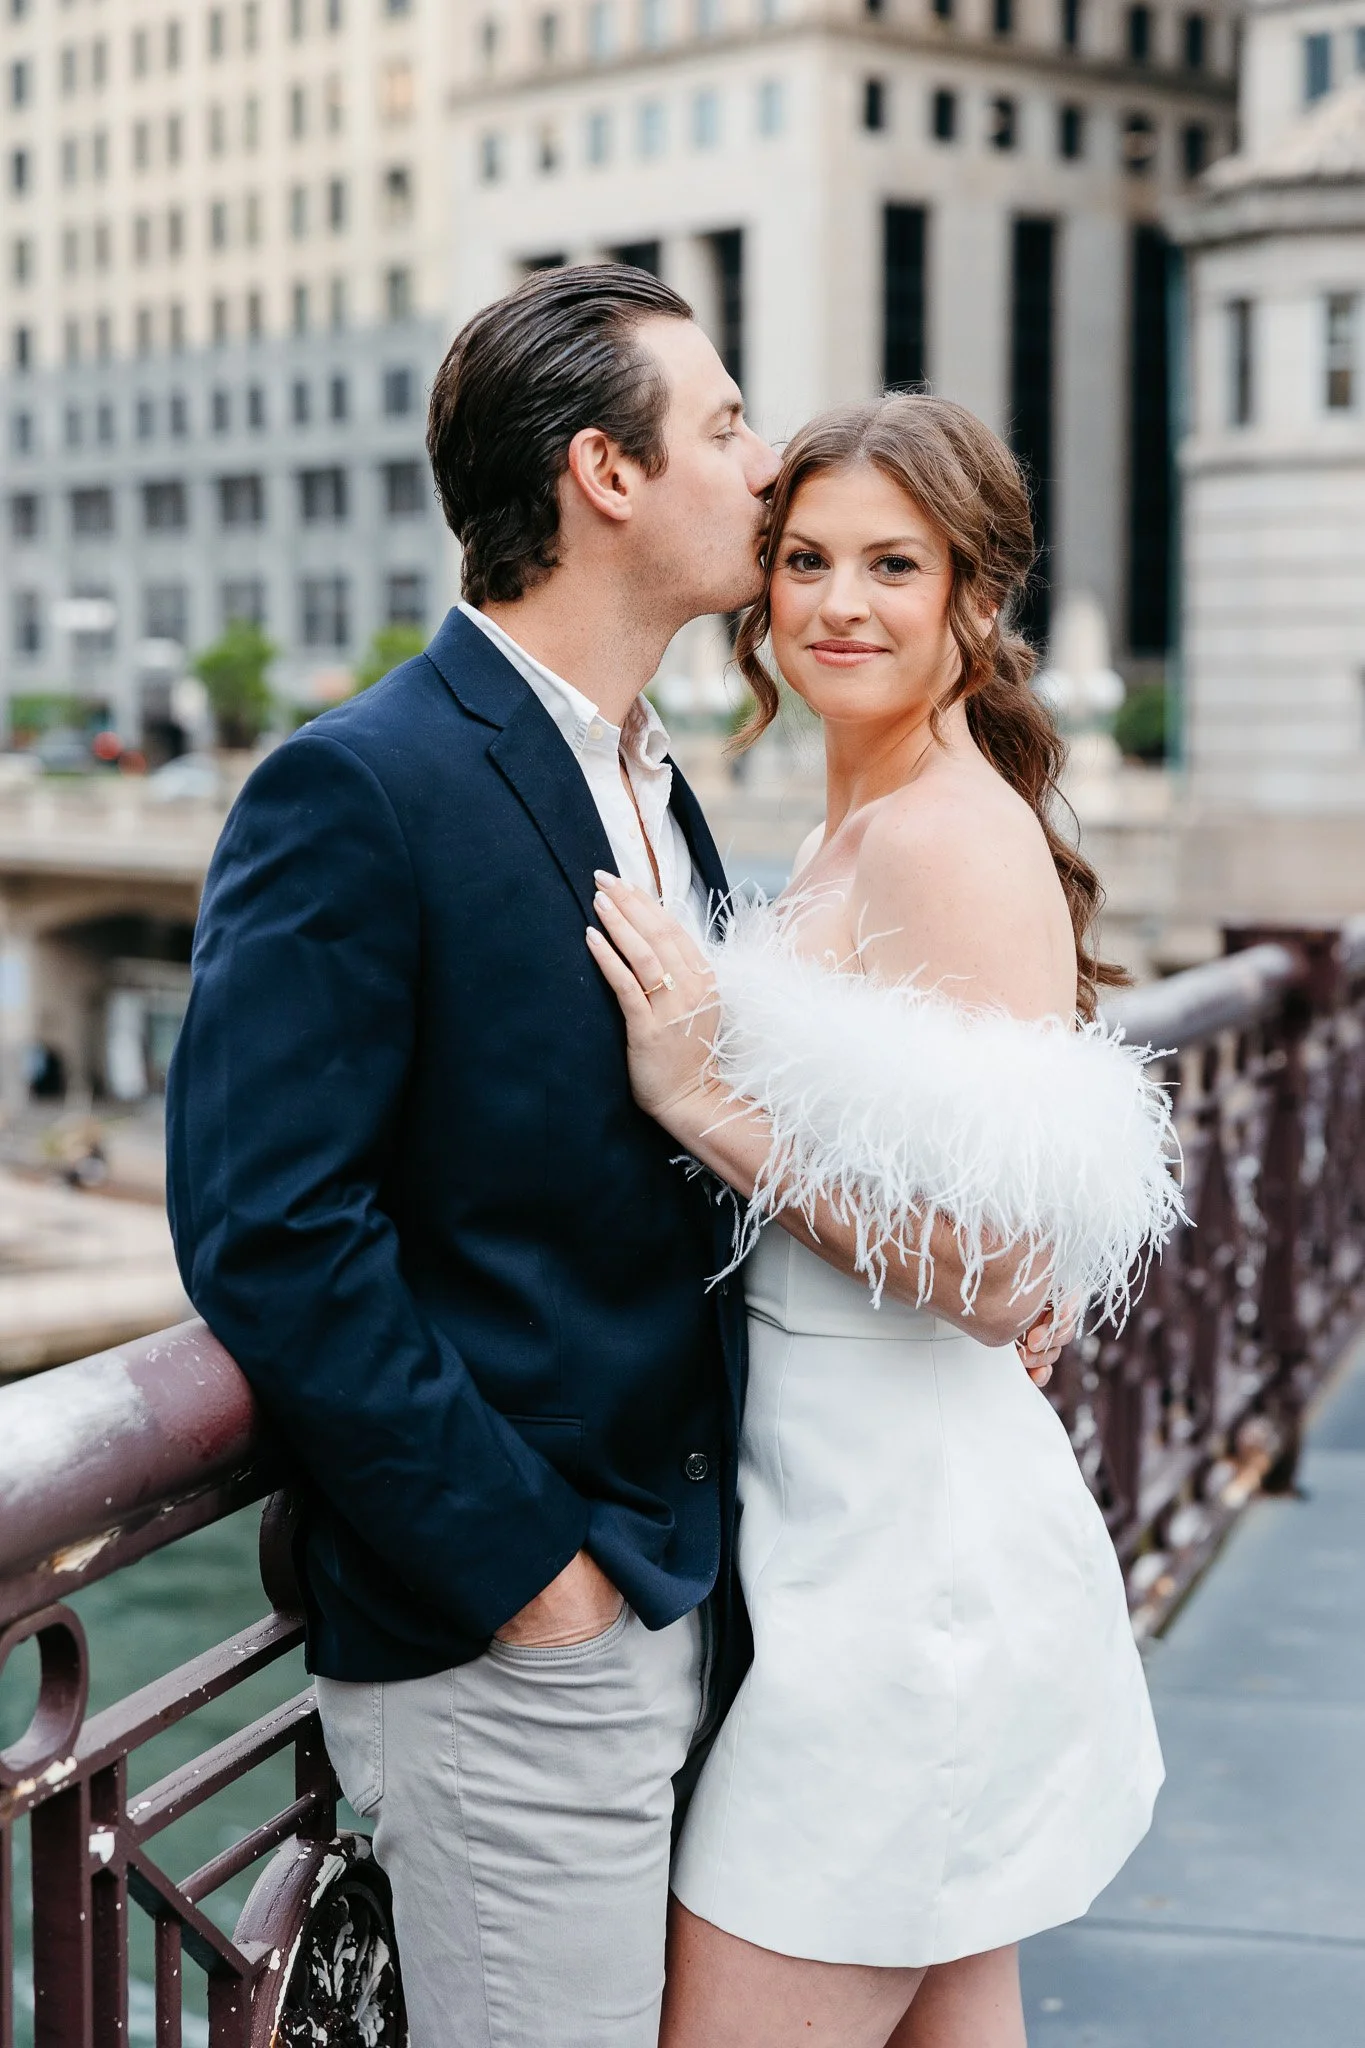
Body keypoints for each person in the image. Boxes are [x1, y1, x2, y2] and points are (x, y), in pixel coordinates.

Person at [164, 271, 1065, 2048]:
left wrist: (960, 1267)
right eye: (725, 427)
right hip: (527, 1638)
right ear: (605, 472)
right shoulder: (361, 785)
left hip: (722, 1592)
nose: (762, 463)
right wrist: (532, 1584)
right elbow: (269, 1230)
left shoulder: (666, 789)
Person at [587, 395, 1182, 2048]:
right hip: (849, 1543)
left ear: (972, 602)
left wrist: (708, 1101)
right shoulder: (858, 821)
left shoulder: (947, 840)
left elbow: (1002, 1277)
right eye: (806, 560)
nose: (839, 603)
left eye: (892, 566)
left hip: (909, 1592)